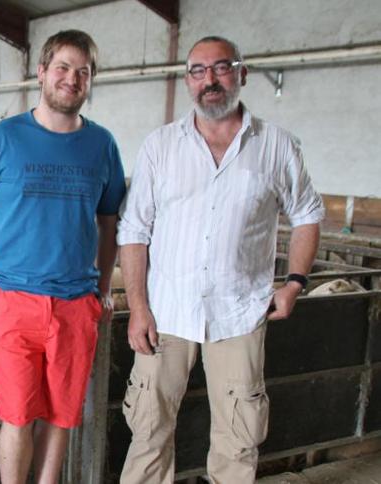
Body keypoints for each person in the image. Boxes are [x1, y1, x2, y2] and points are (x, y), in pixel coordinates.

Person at [117, 36, 324, 483]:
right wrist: (137, 307)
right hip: (166, 312)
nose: (209, 80)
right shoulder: (161, 146)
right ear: (187, 80)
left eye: (221, 68)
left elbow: (308, 215)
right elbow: (134, 230)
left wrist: (294, 283)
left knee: (239, 436)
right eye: (197, 70)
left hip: (239, 312)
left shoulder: (276, 145)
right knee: (149, 428)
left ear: (242, 74)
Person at [0, 29, 127, 484]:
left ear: (90, 82)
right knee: (17, 415)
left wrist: (103, 288)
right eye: (63, 68)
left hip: (74, 305)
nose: (72, 79)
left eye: (82, 72)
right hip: (11, 303)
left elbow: (110, 222)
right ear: (42, 72)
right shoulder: (2, 138)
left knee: (63, 416)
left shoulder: (102, 145)